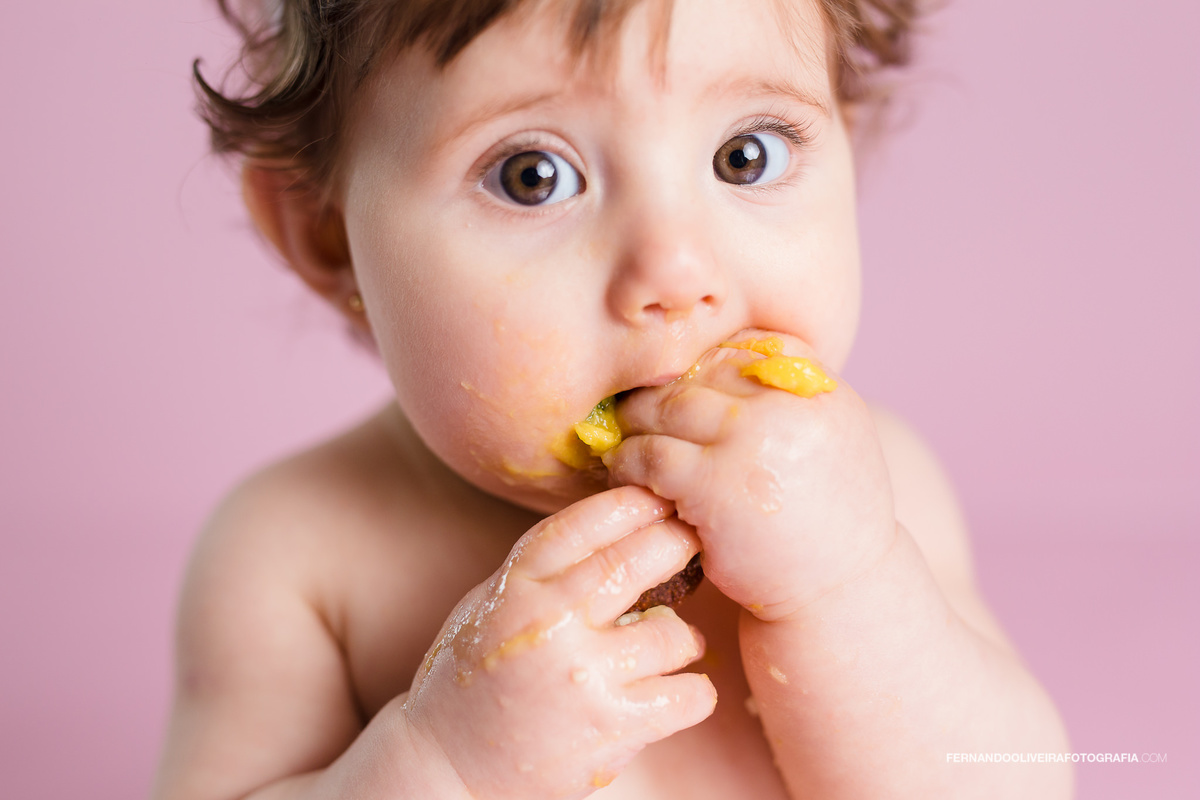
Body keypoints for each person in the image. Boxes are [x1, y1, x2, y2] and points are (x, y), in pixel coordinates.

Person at [154, 0, 1072, 797]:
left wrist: (850, 583)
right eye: (532, 175)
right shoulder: (298, 556)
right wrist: (443, 766)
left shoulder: (876, 493)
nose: (675, 271)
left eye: (744, 155)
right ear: (325, 232)